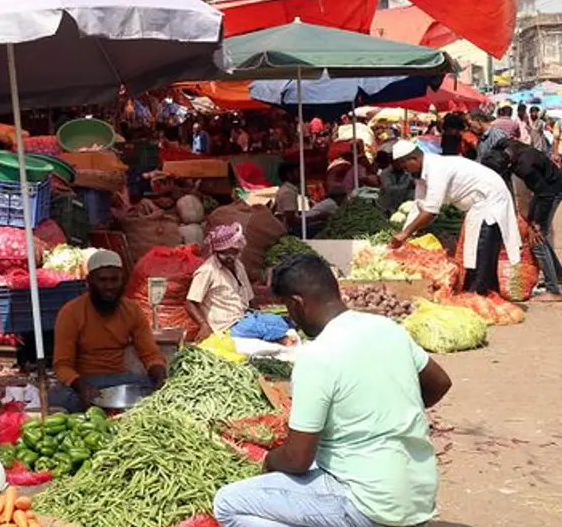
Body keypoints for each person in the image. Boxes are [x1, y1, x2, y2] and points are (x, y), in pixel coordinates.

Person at [214, 254, 451, 527]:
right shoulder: (388, 328)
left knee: (228, 504)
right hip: (418, 494)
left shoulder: (316, 356)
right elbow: (440, 383)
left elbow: (297, 458)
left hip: (368, 504)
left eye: (289, 309)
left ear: (297, 304)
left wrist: (269, 462)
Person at [391, 140, 521, 296]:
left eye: (405, 167)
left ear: (413, 159)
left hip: (490, 199)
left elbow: (431, 210)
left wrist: (405, 234)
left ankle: (479, 293)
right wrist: (404, 233)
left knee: (482, 249)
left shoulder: (437, 168)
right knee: (473, 250)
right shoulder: (420, 174)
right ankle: (484, 292)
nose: (406, 171)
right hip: (477, 205)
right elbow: (419, 206)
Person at [50, 250, 168, 413]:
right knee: (58, 399)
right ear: (89, 281)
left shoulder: (132, 310)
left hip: (120, 382)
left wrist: (158, 371)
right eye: (103, 280)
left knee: (159, 392)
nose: (109, 287)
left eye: (115, 280)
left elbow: (150, 354)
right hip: (84, 383)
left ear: (123, 280)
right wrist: (81, 386)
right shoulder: (70, 312)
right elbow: (62, 366)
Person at [483, 140, 562, 297]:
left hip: (552, 190)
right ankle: (558, 275)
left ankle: (553, 289)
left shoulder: (524, 168)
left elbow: (545, 194)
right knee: (534, 233)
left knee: (536, 239)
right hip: (543, 189)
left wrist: (537, 223)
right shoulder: (504, 144)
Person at [186, 224, 253, 337]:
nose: (230, 257)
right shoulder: (207, 270)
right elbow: (190, 303)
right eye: (224, 253)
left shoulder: (239, 266)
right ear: (216, 252)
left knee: (279, 325)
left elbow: (249, 297)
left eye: (234, 252)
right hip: (225, 328)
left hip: (243, 320)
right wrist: (204, 325)